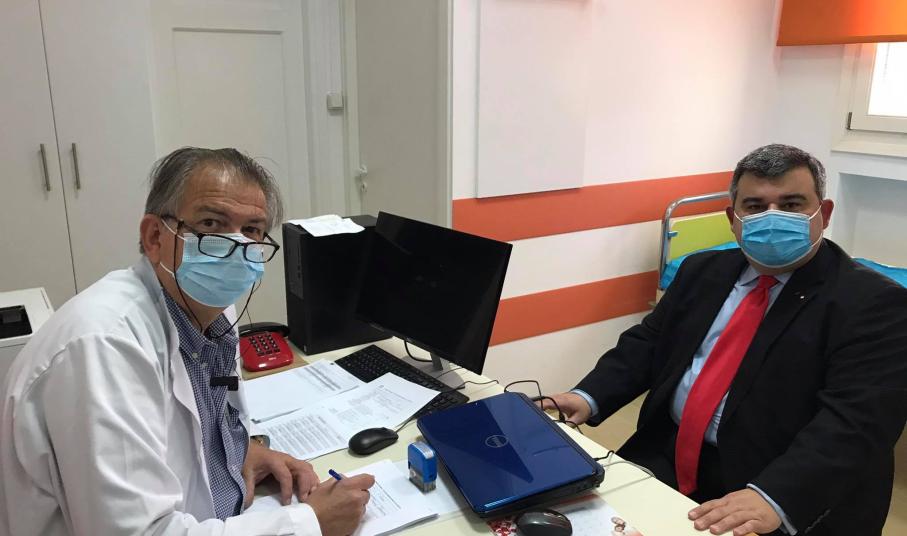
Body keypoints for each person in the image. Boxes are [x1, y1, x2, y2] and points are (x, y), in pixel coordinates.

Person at [0, 147, 374, 536]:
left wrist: (240, 452)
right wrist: (311, 523)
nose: (235, 246)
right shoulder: (103, 347)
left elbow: (192, 424)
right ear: (154, 237)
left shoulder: (211, 311)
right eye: (212, 223)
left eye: (251, 229)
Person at [543, 144, 907, 536]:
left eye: (791, 204)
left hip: (778, 480)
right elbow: (647, 344)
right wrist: (586, 396)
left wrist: (773, 496)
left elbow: (856, 423)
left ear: (825, 213)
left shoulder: (875, 303)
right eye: (755, 206)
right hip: (670, 452)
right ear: (733, 219)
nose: (772, 218)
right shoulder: (701, 271)